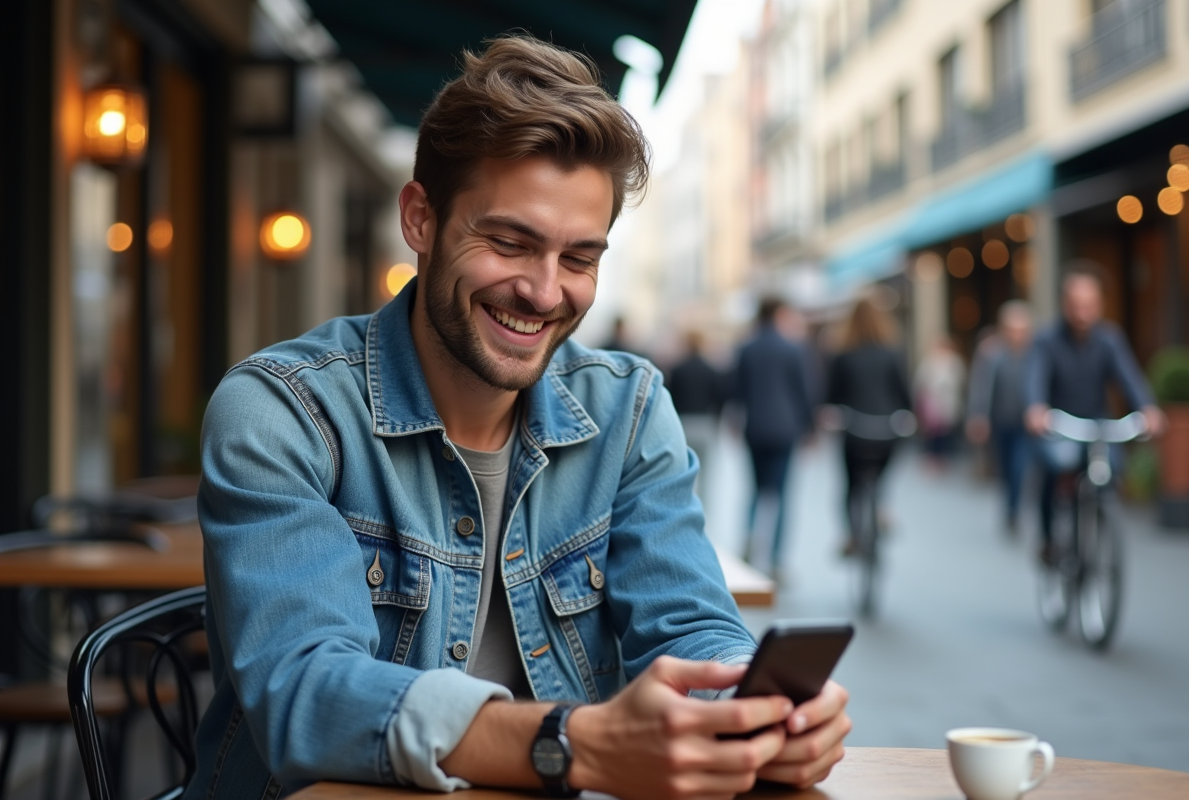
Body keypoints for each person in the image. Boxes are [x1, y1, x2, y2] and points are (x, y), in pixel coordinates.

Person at [186, 36, 849, 800]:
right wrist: (571, 745)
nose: (543, 291)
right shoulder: (284, 410)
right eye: (509, 242)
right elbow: (305, 691)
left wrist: (748, 715)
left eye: (579, 259)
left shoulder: (627, 410)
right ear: (421, 220)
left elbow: (690, 626)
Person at [1025, 266, 1164, 564]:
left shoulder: (1109, 339)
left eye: (1089, 305)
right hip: (1059, 423)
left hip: (1098, 423)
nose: (1082, 313)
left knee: (1112, 469)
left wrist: (1148, 408)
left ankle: (1098, 524)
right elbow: (1036, 377)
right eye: (1076, 305)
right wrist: (1036, 408)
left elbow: (1129, 377)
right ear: (1065, 304)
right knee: (1055, 468)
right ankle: (1050, 538)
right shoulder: (1046, 341)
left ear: (1100, 304)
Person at [732, 297, 816, 574]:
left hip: (755, 428)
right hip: (785, 429)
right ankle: (777, 559)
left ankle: (749, 541)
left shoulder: (747, 348)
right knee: (781, 494)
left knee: (756, 490)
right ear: (779, 314)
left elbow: (737, 390)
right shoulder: (792, 348)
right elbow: (803, 391)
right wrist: (810, 427)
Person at [825, 297, 911, 556]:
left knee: (851, 486)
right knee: (882, 474)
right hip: (886, 432)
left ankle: (852, 536)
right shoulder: (892, 353)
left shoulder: (843, 356)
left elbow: (831, 397)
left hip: (855, 431)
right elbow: (905, 395)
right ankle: (881, 508)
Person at [966, 301, 1034, 535]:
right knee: (1005, 469)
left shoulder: (1034, 354)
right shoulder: (993, 353)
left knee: (1019, 467)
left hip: (1025, 424)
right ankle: (1010, 505)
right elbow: (982, 388)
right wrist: (978, 416)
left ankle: (1014, 509)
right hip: (1001, 422)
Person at [666, 330, 726, 509]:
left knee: (682, 472)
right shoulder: (711, 369)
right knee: (706, 472)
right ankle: (703, 509)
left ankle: (682, 506)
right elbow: (720, 398)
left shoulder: (677, 370)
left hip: (682, 424)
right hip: (705, 423)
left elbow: (671, 398)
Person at [914, 335, 965, 469]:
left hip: (947, 403)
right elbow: (920, 382)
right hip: (932, 404)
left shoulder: (954, 361)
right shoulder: (928, 362)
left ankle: (943, 457)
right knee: (931, 432)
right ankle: (932, 457)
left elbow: (959, 381)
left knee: (945, 432)